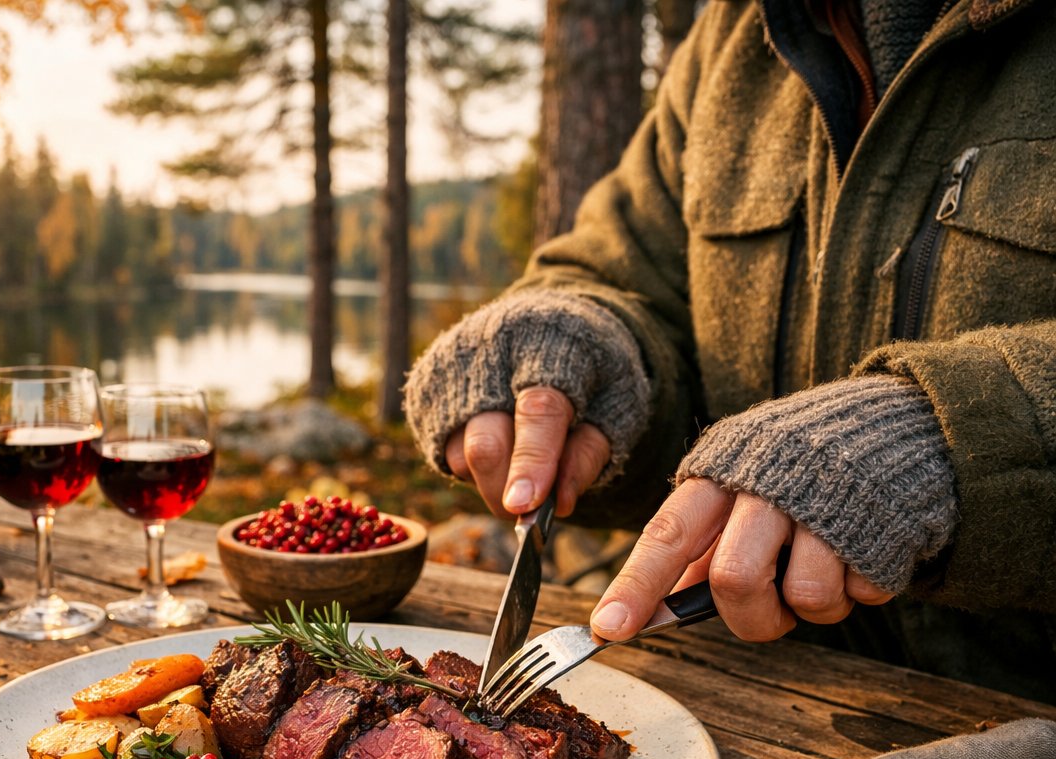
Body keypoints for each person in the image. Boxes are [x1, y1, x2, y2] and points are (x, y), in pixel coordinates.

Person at [403, 0, 1055, 700]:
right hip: (741, 687)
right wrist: (584, 337)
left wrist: (947, 443)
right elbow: (627, 268)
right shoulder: (740, 29)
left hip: (1014, 731)